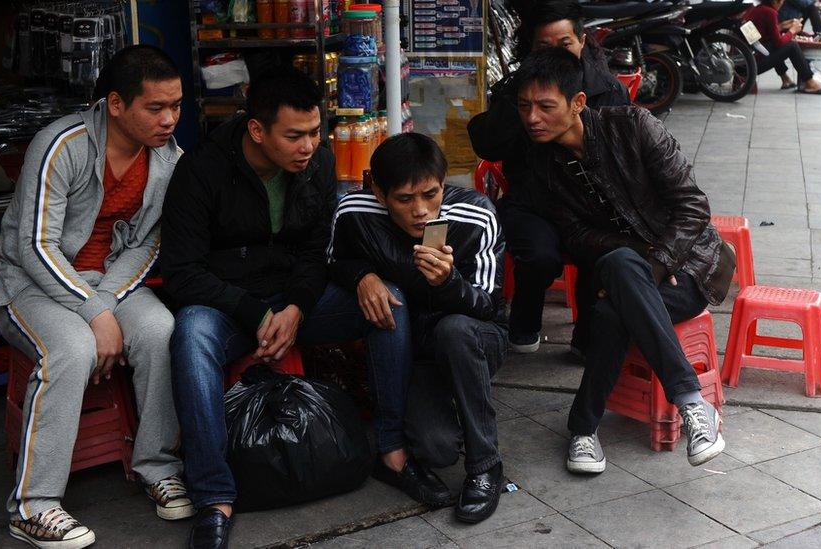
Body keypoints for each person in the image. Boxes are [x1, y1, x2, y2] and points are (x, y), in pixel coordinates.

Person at [161, 71, 435, 549]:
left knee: (388, 302)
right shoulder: (200, 171)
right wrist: (253, 312)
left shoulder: (320, 166)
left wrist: (296, 308)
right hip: (227, 305)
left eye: (314, 133)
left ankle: (392, 451)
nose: (308, 146)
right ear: (257, 130)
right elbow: (183, 272)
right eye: (294, 136)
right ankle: (214, 496)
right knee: (189, 335)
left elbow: (315, 254)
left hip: (296, 301)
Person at [0, 45, 188, 549]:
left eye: (177, 106)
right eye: (156, 108)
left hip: (106, 282)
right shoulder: (62, 143)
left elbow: (147, 243)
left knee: (162, 330)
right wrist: (95, 312)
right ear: (116, 104)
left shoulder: (168, 159)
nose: (169, 119)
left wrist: (103, 299)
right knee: (72, 349)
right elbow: (35, 245)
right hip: (29, 283)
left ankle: (157, 467)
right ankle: (33, 507)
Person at [511, 47, 735, 474]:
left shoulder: (633, 126)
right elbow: (575, 235)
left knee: (614, 308)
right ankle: (692, 403)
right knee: (617, 271)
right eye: (525, 107)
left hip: (690, 267)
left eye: (545, 106)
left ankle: (583, 430)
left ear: (577, 103)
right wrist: (638, 261)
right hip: (632, 272)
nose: (532, 118)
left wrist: (658, 262)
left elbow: (691, 205)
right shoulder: (542, 164)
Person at [328, 133, 508, 524]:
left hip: (474, 337)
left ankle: (486, 464)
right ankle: (436, 415)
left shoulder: (475, 214)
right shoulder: (355, 212)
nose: (421, 211)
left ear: (444, 183)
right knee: (437, 450)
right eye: (404, 199)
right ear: (378, 191)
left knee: (456, 330)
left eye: (431, 194)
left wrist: (449, 283)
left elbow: (490, 307)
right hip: (417, 352)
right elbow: (334, 261)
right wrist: (362, 276)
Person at [468, 0, 629, 356]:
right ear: (531, 46)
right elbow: (488, 144)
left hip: (591, 204)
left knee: (600, 250)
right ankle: (524, 323)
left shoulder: (608, 90)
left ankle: (589, 337)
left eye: (565, 45)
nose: (556, 55)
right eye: (545, 47)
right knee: (538, 255)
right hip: (531, 202)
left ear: (582, 41)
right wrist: (523, 101)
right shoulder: (519, 90)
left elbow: (627, 157)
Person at [746, 0, 821, 94]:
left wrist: (783, 26)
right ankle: (810, 82)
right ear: (775, 1)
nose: (782, 3)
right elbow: (778, 42)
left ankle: (786, 80)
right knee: (792, 46)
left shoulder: (758, 9)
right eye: (782, 1)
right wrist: (792, 31)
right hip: (751, 64)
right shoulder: (770, 12)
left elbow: (765, 36)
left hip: (750, 59)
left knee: (779, 43)